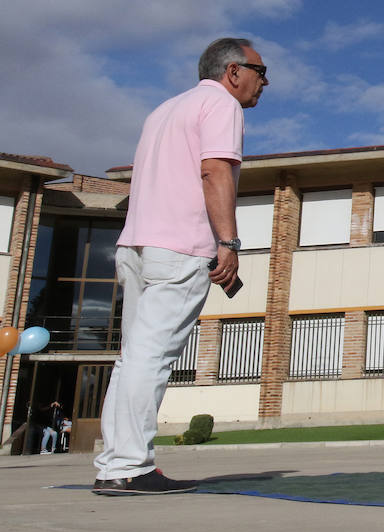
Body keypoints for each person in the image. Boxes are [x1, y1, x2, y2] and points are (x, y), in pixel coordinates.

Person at [94, 38, 268, 495]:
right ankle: (130, 466)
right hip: (180, 247)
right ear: (233, 71)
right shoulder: (223, 106)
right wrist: (228, 242)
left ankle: (115, 464)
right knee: (150, 359)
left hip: (135, 245)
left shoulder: (164, 110)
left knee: (131, 358)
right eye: (260, 70)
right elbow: (214, 170)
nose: (264, 82)